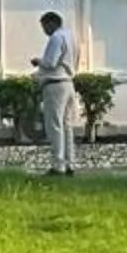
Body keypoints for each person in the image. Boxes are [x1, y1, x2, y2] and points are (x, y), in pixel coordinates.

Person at [32, 12, 78, 175]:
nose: (44, 30)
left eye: (44, 26)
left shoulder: (56, 38)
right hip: (68, 83)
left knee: (54, 125)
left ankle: (58, 165)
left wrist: (38, 61)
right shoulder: (70, 36)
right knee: (67, 125)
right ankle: (70, 163)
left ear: (51, 23)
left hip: (55, 84)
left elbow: (50, 62)